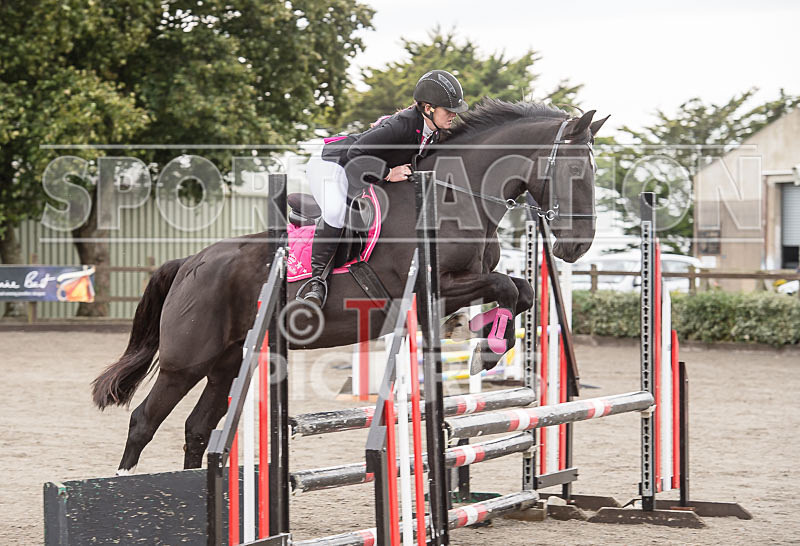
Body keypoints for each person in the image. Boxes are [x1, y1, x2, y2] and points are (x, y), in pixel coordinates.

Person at [300, 69, 469, 309]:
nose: (453, 115)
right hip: (333, 163)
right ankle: (316, 282)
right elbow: (355, 153)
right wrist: (388, 174)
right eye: (448, 109)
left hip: (360, 171)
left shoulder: (433, 132)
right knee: (337, 212)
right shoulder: (402, 125)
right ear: (429, 108)